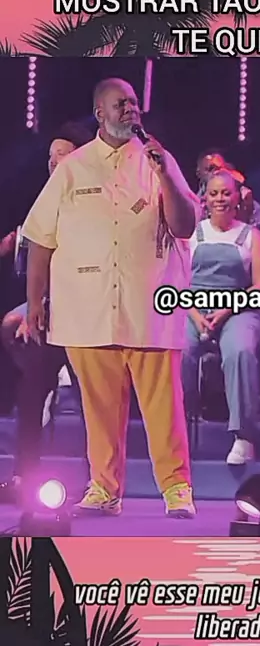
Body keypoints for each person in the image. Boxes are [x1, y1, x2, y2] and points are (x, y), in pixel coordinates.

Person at [21, 78, 200, 518]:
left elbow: (184, 226)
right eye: (121, 104)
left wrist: (164, 174)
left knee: (164, 406)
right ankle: (104, 488)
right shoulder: (73, 168)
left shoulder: (158, 160)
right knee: (99, 408)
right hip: (88, 307)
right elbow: (40, 238)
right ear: (100, 113)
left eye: (134, 103)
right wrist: (35, 303)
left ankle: (177, 488)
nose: (130, 110)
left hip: (150, 305)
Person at [0, 124, 92, 503]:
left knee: (92, 402)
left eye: (62, 155)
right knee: (30, 391)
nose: (54, 162)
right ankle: (23, 476)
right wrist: (35, 307)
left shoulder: (92, 203)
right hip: (50, 313)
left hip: (87, 316)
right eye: (50, 156)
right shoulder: (43, 204)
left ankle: (100, 483)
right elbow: (36, 259)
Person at [182, 169, 260, 464]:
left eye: (226, 193)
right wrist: (195, 314)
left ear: (237, 198)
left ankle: (244, 437)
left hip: (238, 308)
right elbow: (177, 281)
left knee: (240, 352)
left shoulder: (251, 236)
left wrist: (227, 309)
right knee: (177, 351)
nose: (220, 198)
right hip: (192, 307)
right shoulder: (191, 234)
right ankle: (175, 431)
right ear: (205, 199)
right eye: (214, 193)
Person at [196, 150, 260, 226]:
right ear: (199, 173)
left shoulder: (249, 203)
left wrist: (246, 215)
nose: (216, 173)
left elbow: (258, 231)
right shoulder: (193, 205)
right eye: (211, 169)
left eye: (220, 168)